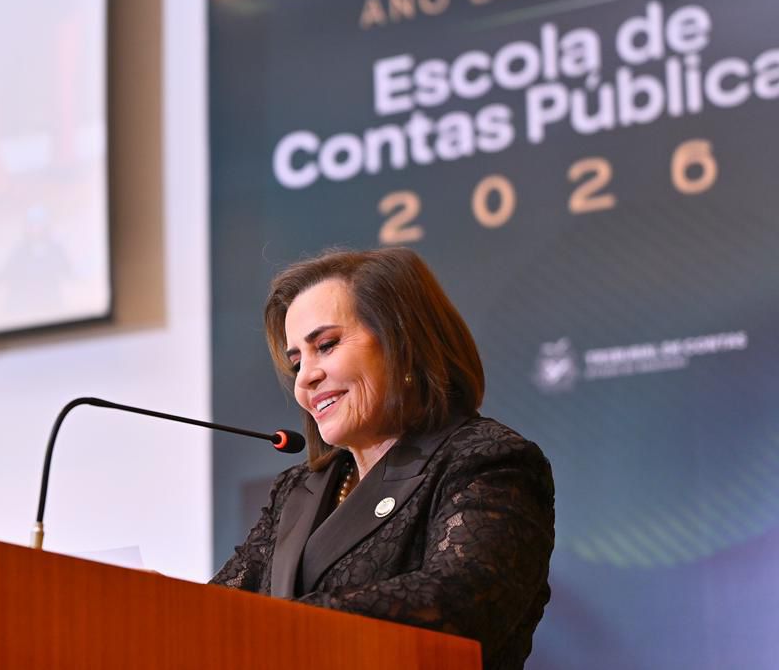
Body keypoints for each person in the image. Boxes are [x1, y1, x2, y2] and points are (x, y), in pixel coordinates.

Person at [211, 247, 554, 670]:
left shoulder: (485, 459)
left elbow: (460, 602)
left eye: (326, 345)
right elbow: (215, 608)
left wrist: (283, 623)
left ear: (402, 344)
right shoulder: (295, 490)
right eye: (296, 362)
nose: (305, 379)